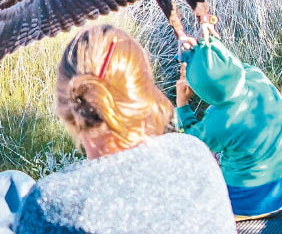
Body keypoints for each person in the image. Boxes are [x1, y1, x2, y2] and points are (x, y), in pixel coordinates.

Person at [16, 25, 237, 234]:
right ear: (145, 91)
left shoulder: (49, 203)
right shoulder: (195, 154)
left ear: (65, 105)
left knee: (12, 185)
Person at [175, 37, 282, 221]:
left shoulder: (219, 121)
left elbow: (190, 146)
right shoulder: (255, 75)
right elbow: (227, 66)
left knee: (187, 204)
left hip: (248, 202)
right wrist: (206, 51)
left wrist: (182, 104)